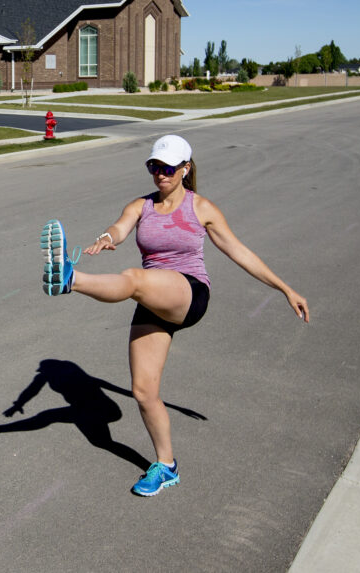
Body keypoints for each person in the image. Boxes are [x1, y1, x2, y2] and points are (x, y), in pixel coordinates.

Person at [40, 134, 309, 496]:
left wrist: (285, 288)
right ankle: (166, 466)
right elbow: (121, 227)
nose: (160, 174)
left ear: (185, 168)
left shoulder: (202, 208)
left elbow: (240, 252)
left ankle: (70, 280)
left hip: (189, 292)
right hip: (154, 298)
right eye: (154, 166)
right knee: (143, 391)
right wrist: (107, 236)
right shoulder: (141, 205)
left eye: (168, 168)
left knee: (133, 279)